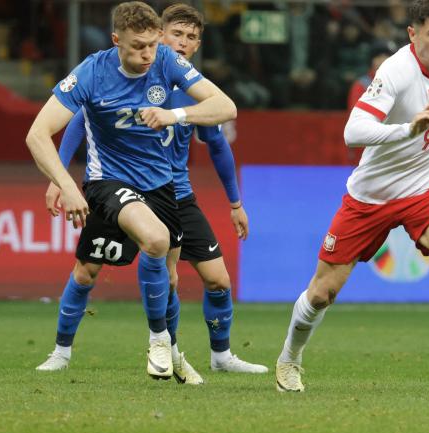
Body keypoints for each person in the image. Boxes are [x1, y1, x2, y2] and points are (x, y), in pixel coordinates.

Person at [34, 3, 267, 381]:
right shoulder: (96, 72)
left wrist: (234, 201)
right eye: (176, 35)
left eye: (190, 37)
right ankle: (66, 351)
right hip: (112, 183)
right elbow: (69, 124)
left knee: (190, 278)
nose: (173, 45)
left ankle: (189, 352)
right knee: (89, 270)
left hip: (170, 190)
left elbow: (222, 129)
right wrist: (59, 180)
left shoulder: (181, 79)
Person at [274, 0, 429, 393]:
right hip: (372, 194)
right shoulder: (395, 71)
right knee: (323, 293)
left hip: (428, 185)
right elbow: (353, 132)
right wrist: (408, 129)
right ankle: (290, 358)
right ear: (412, 34)